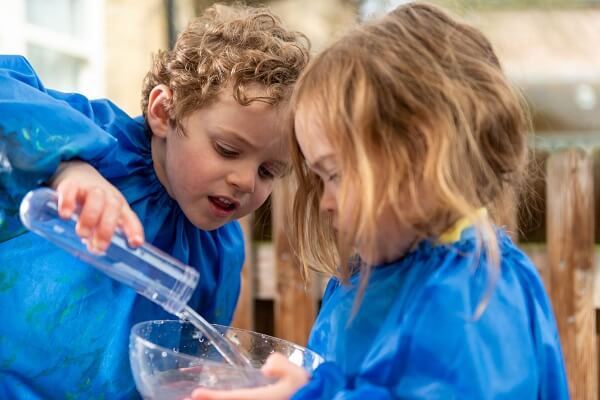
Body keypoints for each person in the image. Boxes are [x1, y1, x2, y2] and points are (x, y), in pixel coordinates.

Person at [190, 3, 569, 399]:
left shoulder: (474, 297)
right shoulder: (375, 273)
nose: (325, 202)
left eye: (334, 175)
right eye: (319, 179)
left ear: (418, 156)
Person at [0, 4, 308, 399]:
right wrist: (68, 166)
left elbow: (186, 366)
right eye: (228, 149)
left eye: (269, 172)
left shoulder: (222, 252)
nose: (246, 181)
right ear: (164, 111)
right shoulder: (100, 143)